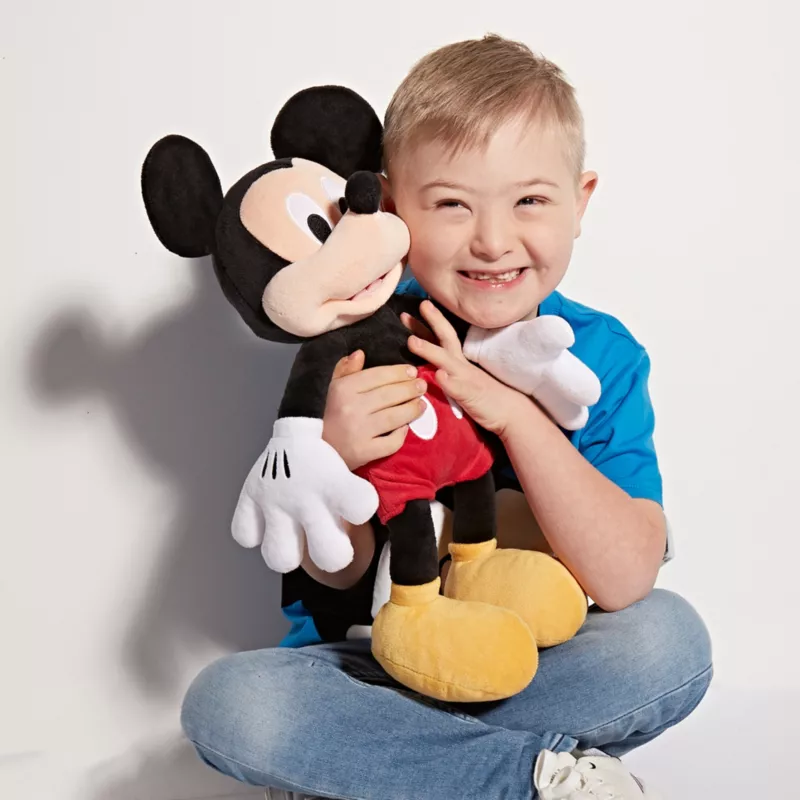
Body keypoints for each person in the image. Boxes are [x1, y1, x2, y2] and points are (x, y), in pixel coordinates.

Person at [179, 34, 712, 799]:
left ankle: (380, 767)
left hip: (526, 661)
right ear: (391, 206)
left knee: (668, 640)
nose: (492, 241)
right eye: (452, 205)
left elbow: (625, 578)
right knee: (234, 703)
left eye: (530, 201)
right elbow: (339, 574)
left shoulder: (601, 357)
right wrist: (335, 456)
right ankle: (528, 777)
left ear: (581, 202)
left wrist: (517, 416)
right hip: (372, 666)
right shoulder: (353, 343)